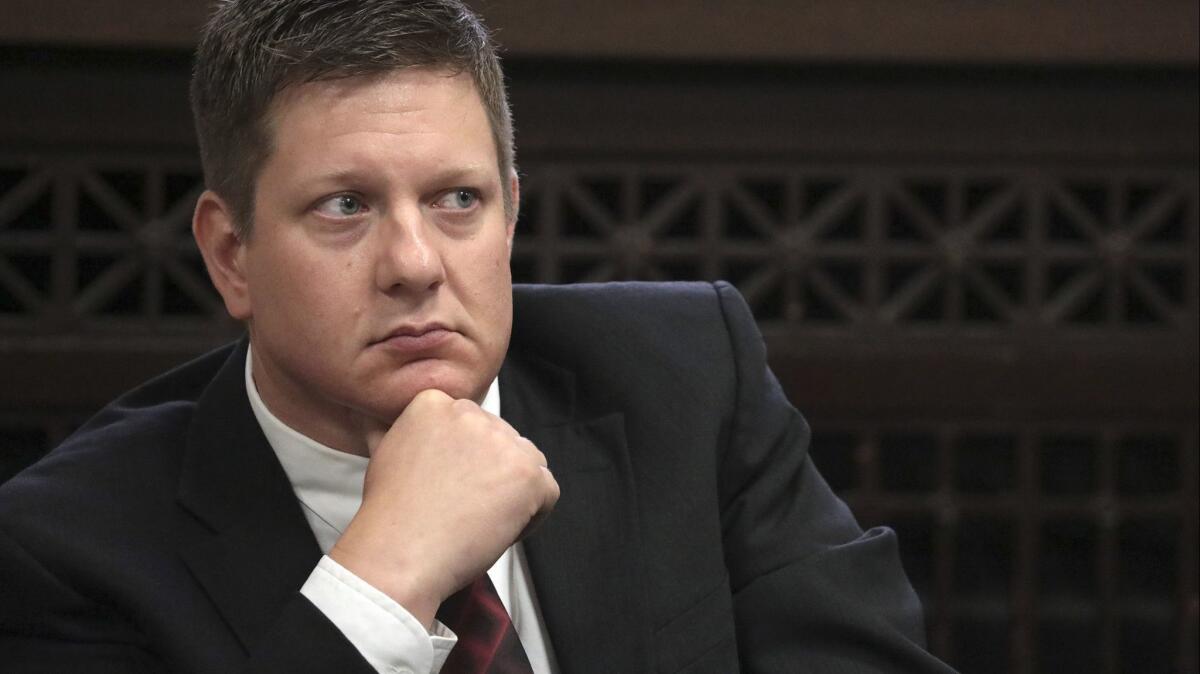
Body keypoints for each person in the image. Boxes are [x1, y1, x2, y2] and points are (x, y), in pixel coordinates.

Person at [0, 1, 957, 672]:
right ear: (230, 254)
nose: (415, 263)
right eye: (345, 206)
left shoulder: (685, 377)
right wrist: (382, 579)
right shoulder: (69, 548)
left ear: (509, 219)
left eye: (458, 199)